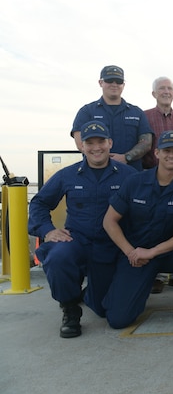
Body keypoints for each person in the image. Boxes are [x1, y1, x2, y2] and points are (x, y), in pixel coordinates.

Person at [29, 121, 137, 338]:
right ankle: (69, 309)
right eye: (90, 143)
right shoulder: (66, 175)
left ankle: (90, 294)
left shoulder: (129, 175)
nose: (96, 147)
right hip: (78, 242)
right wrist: (48, 230)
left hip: (112, 247)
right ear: (82, 146)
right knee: (58, 256)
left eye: (101, 142)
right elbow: (39, 203)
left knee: (103, 309)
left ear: (110, 143)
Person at [101, 130, 173, 329]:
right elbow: (109, 221)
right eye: (166, 150)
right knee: (118, 320)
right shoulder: (134, 182)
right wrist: (130, 252)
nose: (171, 155)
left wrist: (153, 252)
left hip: (170, 253)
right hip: (137, 254)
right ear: (157, 153)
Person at [71, 65, 153, 171]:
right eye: (109, 80)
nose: (114, 84)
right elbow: (80, 144)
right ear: (101, 83)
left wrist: (126, 157)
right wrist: (105, 161)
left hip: (131, 175)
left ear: (123, 84)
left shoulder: (137, 113)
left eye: (118, 81)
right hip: (95, 174)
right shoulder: (86, 112)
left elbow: (146, 143)